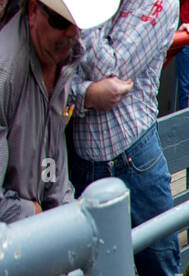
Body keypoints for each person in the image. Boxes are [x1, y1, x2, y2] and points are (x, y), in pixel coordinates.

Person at [69, 0, 182, 276]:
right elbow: (52, 82)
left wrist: (80, 13)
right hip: (81, 163)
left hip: (134, 157)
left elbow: (110, 68)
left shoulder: (158, 2)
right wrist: (87, 94)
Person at [0, 0, 114, 224]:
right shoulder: (6, 73)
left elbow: (49, 161)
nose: (72, 32)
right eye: (61, 20)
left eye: (77, 22)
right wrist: (34, 213)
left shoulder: (61, 58)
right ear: (33, 11)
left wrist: (62, 210)